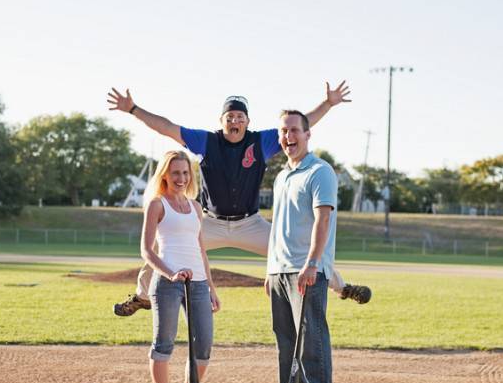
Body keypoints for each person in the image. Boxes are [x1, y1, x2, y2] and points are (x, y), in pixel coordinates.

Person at [106, 84, 372, 317]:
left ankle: (342, 287)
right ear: (222, 120)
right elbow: (166, 127)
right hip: (210, 223)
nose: (235, 120)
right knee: (162, 249)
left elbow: (301, 124)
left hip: (250, 224)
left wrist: (327, 103)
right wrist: (133, 109)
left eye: (240, 116)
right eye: (230, 116)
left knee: (299, 250)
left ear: (247, 121)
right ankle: (142, 297)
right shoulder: (206, 141)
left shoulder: (261, 142)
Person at [262, 110, 338, 383]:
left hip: (306, 270)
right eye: (283, 131)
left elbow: (323, 220)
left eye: (294, 130)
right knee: (285, 338)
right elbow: (279, 226)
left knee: (311, 337)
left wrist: (312, 264)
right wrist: (270, 269)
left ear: (308, 135)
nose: (288, 136)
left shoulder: (319, 172)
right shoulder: (282, 176)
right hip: (280, 270)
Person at [140, 150, 220, 383]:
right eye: (175, 173)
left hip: (197, 284)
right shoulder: (157, 205)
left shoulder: (196, 207)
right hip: (167, 284)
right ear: (165, 174)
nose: (181, 178)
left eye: (185, 173)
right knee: (164, 344)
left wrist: (211, 286)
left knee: (204, 346)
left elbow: (201, 250)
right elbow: (147, 251)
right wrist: (172, 273)